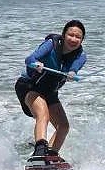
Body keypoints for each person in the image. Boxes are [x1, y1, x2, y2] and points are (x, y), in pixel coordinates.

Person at [15, 20, 87, 157]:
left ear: (82, 40)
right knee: (43, 115)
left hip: (49, 92)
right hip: (29, 86)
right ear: (64, 35)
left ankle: (51, 155)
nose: (73, 39)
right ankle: (40, 150)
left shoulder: (81, 56)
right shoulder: (51, 45)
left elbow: (75, 67)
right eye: (70, 35)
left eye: (78, 37)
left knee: (63, 126)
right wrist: (35, 63)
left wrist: (72, 73)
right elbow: (30, 58)